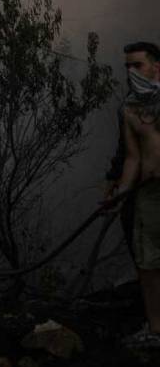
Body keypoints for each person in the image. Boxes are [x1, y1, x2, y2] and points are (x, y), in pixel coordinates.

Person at [115, 42, 160, 348]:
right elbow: (132, 157)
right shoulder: (130, 109)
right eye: (127, 67)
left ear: (156, 66)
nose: (131, 72)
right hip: (148, 193)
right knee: (147, 262)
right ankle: (156, 328)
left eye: (138, 65)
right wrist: (119, 192)